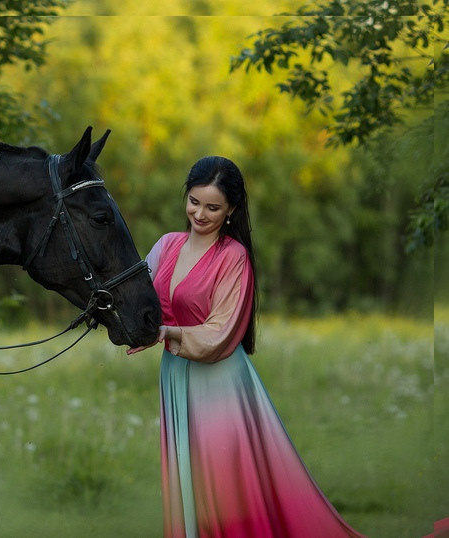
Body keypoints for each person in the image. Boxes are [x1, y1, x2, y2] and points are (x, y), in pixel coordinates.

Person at [127, 156, 364, 537]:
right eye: (193, 201)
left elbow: (220, 331)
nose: (199, 214)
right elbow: (136, 298)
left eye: (213, 207)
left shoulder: (233, 258)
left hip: (219, 382)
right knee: (191, 480)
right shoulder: (167, 246)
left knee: (222, 487)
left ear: (231, 210)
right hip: (175, 375)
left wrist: (168, 333)